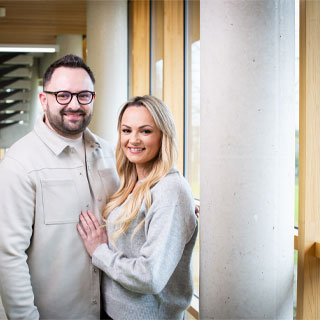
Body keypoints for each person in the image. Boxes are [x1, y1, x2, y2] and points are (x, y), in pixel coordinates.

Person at [0, 54, 119, 319]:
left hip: (112, 312)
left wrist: (170, 200)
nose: (74, 104)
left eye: (83, 96)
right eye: (63, 95)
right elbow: (8, 255)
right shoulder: (20, 163)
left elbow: (132, 205)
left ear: (93, 99)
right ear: (44, 100)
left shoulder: (110, 155)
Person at [78, 95, 198, 320]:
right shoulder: (131, 182)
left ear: (163, 135)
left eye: (145, 131)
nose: (133, 140)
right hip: (113, 312)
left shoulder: (171, 191)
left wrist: (99, 252)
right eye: (126, 130)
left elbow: (150, 276)